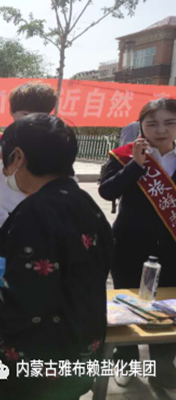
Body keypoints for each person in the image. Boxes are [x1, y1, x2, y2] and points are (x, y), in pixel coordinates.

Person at [0, 114, 113, 400]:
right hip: (78, 351)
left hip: (32, 367)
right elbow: (64, 264)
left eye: (4, 163)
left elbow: (16, 306)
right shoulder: (86, 203)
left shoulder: (33, 212)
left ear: (17, 157)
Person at [99, 98, 176, 393]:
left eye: (170, 123)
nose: (161, 130)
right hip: (128, 245)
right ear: (140, 126)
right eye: (152, 123)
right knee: (127, 304)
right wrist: (136, 165)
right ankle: (127, 360)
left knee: (166, 307)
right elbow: (107, 191)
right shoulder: (123, 156)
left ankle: (163, 367)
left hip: (171, 247)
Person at [0, 82, 57, 244]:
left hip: (47, 222)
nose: (33, 120)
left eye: (41, 115)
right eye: (25, 114)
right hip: (7, 223)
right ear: (11, 111)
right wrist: (7, 222)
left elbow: (67, 182)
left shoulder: (56, 144)